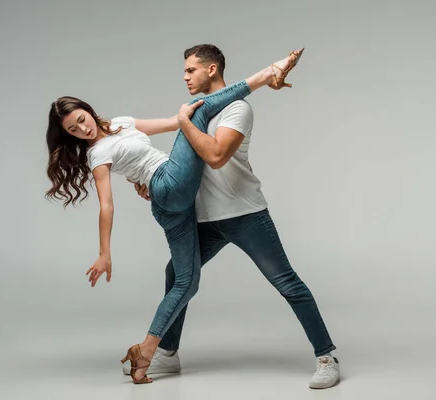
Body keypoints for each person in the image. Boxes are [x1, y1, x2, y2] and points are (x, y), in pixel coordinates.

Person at [44, 47, 305, 385]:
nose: (83, 129)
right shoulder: (97, 155)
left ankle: (146, 352)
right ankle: (270, 73)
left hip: (167, 200)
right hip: (167, 186)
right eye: (73, 131)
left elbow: (170, 125)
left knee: (186, 281)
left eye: (81, 119)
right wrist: (104, 252)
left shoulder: (122, 123)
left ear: (88, 111)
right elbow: (106, 205)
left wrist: (173, 136)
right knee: (194, 114)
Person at [128, 44, 340, 389]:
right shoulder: (197, 111)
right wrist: (154, 184)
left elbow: (214, 156)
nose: (184, 76)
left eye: (190, 70)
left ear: (211, 70)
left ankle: (326, 356)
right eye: (184, 71)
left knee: (287, 283)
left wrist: (183, 122)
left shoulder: (237, 109)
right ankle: (168, 353)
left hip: (244, 215)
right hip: (205, 218)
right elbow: (185, 168)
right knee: (176, 274)